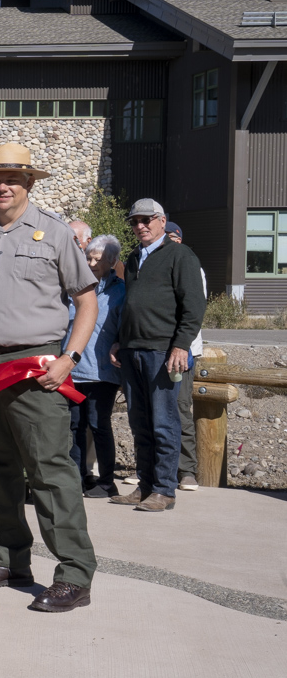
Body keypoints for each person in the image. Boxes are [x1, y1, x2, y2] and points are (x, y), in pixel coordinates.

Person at [0, 142, 99, 613]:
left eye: (10, 179)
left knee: (50, 470)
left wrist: (70, 356)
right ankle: (8, 557)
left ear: (29, 183)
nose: (0, 187)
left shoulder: (55, 234)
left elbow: (85, 299)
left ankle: (73, 573)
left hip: (34, 367)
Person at [109, 198, 205, 512]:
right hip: (132, 351)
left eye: (146, 220)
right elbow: (130, 306)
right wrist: (119, 340)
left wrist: (181, 345)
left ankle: (165, 490)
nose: (140, 226)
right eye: (135, 221)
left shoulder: (180, 255)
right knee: (140, 423)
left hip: (164, 352)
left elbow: (193, 307)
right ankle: (146, 485)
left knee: (165, 422)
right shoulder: (134, 258)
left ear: (162, 221)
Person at [68, 235, 126, 499]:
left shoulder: (120, 292)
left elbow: (126, 328)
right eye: (88, 257)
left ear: (112, 262)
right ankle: (78, 478)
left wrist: (119, 344)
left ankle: (106, 481)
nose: (90, 263)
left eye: (97, 259)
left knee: (98, 424)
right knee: (74, 425)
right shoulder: (75, 288)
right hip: (72, 369)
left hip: (103, 371)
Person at [164, 221, 205, 490]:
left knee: (179, 410)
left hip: (183, 350)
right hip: (156, 349)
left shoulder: (190, 266)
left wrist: (183, 344)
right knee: (153, 412)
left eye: (173, 237)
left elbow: (192, 309)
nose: (169, 241)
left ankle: (187, 470)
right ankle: (157, 470)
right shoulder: (152, 264)